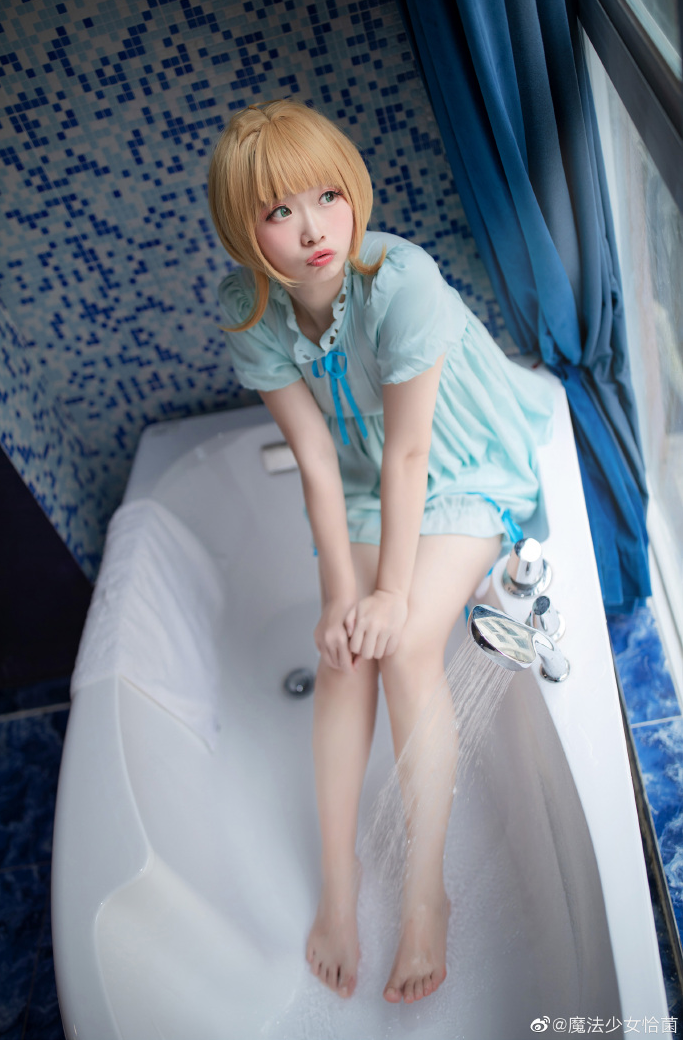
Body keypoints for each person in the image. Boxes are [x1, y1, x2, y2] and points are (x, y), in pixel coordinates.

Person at [208, 99, 552, 1005]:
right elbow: (320, 461)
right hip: (369, 477)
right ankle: (340, 881)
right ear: (244, 232)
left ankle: (425, 893)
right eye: (279, 211)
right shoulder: (250, 309)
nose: (314, 228)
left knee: (402, 642)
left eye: (328, 195)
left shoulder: (401, 282)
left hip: (463, 462)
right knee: (345, 653)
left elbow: (413, 452)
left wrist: (392, 593)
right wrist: (338, 597)